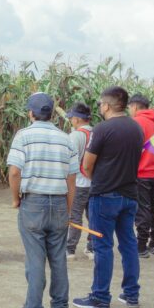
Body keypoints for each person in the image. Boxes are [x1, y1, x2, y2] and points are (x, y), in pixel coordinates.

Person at [73, 86, 143, 308]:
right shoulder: (136, 128)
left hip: (104, 195)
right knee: (129, 244)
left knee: (103, 246)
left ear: (107, 105)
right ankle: (131, 294)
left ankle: (101, 296)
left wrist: (97, 179)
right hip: (130, 194)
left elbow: (87, 163)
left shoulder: (102, 129)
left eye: (101, 104)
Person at [6, 94, 75, 308]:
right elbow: (71, 179)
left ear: (31, 113)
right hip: (59, 203)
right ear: (53, 114)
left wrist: (16, 199)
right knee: (58, 258)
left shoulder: (23, 136)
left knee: (35, 259)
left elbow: (14, 172)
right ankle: (61, 307)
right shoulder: (66, 139)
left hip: (33, 203)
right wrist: (67, 208)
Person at [128, 94, 154, 258]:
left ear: (134, 107)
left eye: (129, 108)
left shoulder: (136, 122)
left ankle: (141, 245)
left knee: (142, 208)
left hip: (141, 171)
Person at [65, 103, 94, 258]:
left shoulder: (75, 136)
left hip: (79, 183)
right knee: (93, 217)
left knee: (75, 217)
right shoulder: (97, 132)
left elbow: (70, 160)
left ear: (76, 119)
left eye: (71, 118)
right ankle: (92, 248)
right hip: (95, 182)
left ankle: (70, 249)